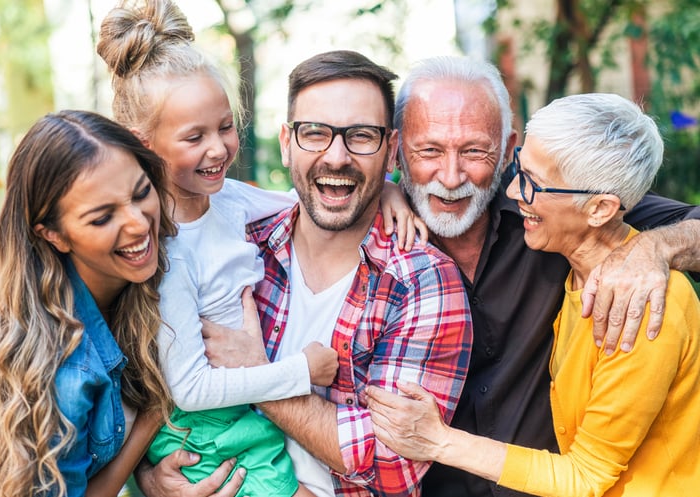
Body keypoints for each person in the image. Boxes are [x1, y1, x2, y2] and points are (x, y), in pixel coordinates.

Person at [96, 3, 422, 496]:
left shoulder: (228, 200)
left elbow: (310, 197)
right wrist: (299, 372)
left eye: (225, 127)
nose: (218, 148)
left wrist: (388, 188)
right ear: (144, 144)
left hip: (239, 415)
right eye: (194, 137)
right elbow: (189, 388)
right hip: (202, 425)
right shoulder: (166, 251)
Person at [373, 55, 700, 497]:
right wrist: (382, 187)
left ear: (506, 148)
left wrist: (656, 247)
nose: (449, 177)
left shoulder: (578, 223)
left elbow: (587, 474)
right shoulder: (375, 237)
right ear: (396, 149)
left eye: (474, 151)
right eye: (428, 151)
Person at [199, 50, 473, 497]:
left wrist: (257, 374)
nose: (337, 156)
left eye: (361, 136)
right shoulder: (239, 248)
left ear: (391, 150)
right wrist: (154, 474)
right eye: (315, 133)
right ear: (286, 142)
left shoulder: (422, 281)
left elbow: (392, 463)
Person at [0, 110, 177, 497]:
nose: (139, 223)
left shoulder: (132, 279)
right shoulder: (64, 368)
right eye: (102, 218)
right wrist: (155, 415)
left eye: (141, 193)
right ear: (53, 234)